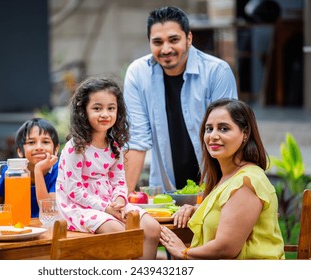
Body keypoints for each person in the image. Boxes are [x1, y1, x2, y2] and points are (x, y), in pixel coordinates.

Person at [123, 6, 238, 193]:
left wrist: (217, 194)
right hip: (165, 188)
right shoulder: (138, 74)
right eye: (158, 42)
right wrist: (124, 198)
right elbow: (137, 139)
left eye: (174, 40)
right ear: (149, 43)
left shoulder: (217, 72)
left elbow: (228, 136)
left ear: (189, 38)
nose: (166, 49)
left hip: (215, 185)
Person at [160, 98, 285, 259]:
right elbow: (226, 212)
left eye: (224, 129)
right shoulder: (226, 178)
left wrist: (183, 251)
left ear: (245, 133)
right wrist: (196, 210)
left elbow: (226, 248)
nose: (213, 136)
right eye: (209, 129)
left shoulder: (247, 181)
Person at [56, 77, 161, 259]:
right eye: (97, 108)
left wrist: (120, 199)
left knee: (152, 228)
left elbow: (119, 181)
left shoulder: (114, 146)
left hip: (109, 202)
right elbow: (74, 191)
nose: (105, 114)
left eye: (111, 108)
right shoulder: (75, 147)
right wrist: (106, 208)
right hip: (79, 206)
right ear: (83, 110)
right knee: (118, 231)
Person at [0, 118, 60, 218]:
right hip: (17, 226)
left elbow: (49, 213)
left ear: (56, 149)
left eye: (45, 142)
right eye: (31, 142)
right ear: (20, 151)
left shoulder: (58, 171)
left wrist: (39, 171)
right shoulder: (11, 171)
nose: (39, 147)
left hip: (45, 227)